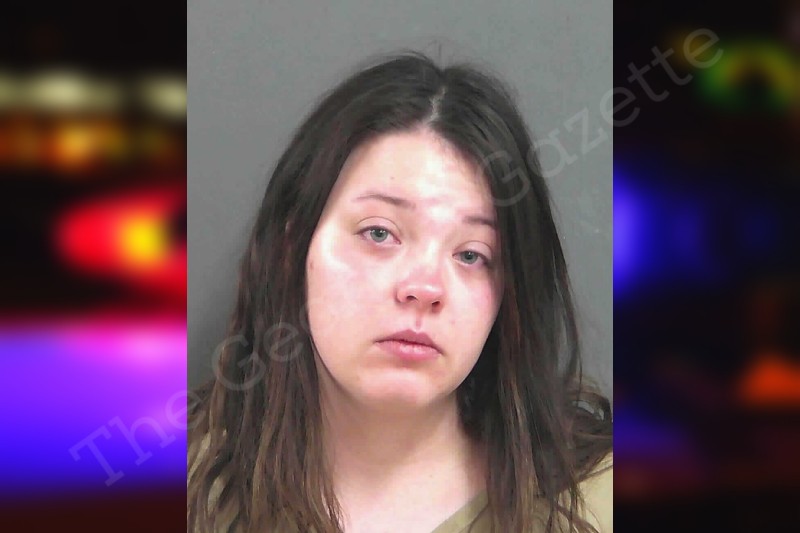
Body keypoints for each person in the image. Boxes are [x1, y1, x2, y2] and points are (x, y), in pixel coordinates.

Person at [187, 51, 613, 533]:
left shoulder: (598, 503)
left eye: (471, 254)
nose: (425, 288)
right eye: (379, 233)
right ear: (292, 248)